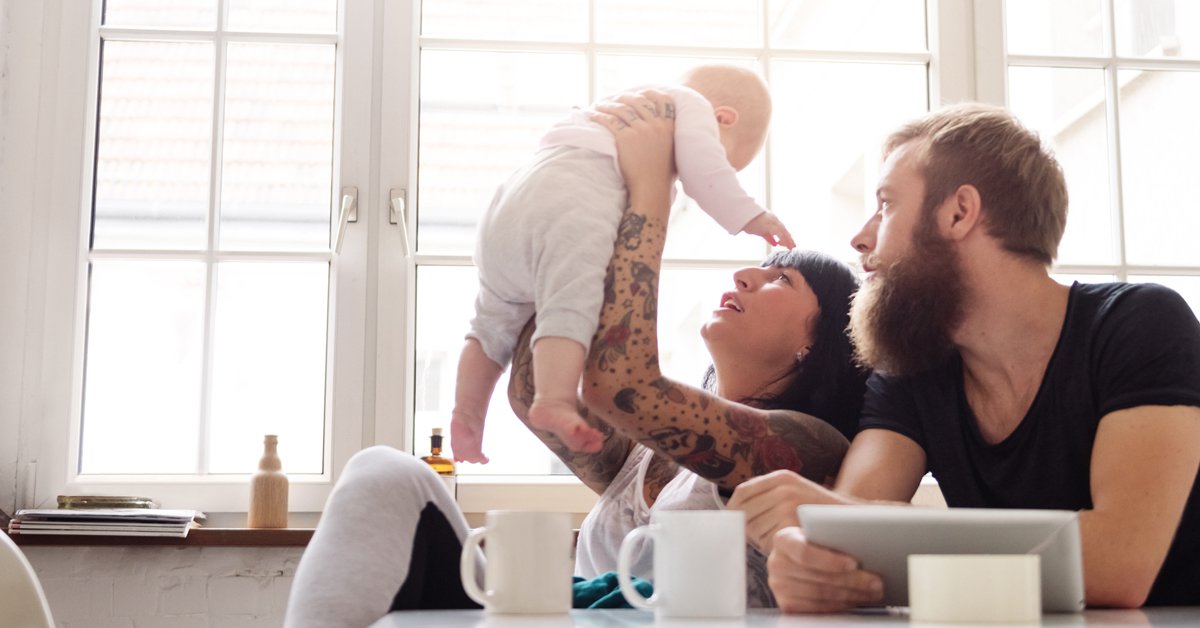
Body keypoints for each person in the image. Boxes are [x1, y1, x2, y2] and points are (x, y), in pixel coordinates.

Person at [283, 91, 867, 627]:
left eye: (779, 280)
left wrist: (650, 193)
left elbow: (620, 384)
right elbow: (530, 389)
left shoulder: (809, 446)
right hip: (577, 616)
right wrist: (582, 210)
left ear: (816, 342)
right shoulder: (644, 458)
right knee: (383, 472)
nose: (744, 273)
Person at [726, 103, 1200, 611]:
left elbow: (1118, 565)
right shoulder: (913, 369)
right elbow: (845, 528)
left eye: (885, 204)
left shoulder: (1141, 323)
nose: (861, 237)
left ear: (959, 212)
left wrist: (863, 541)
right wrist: (805, 561)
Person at [451, 64, 796, 464]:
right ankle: (555, 398)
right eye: (730, 160)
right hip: (566, 206)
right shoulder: (691, 107)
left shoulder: (623, 106)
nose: (687, 181)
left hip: (506, 210)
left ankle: (467, 414)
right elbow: (709, 177)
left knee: (490, 324)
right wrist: (753, 217)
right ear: (724, 118)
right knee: (573, 301)